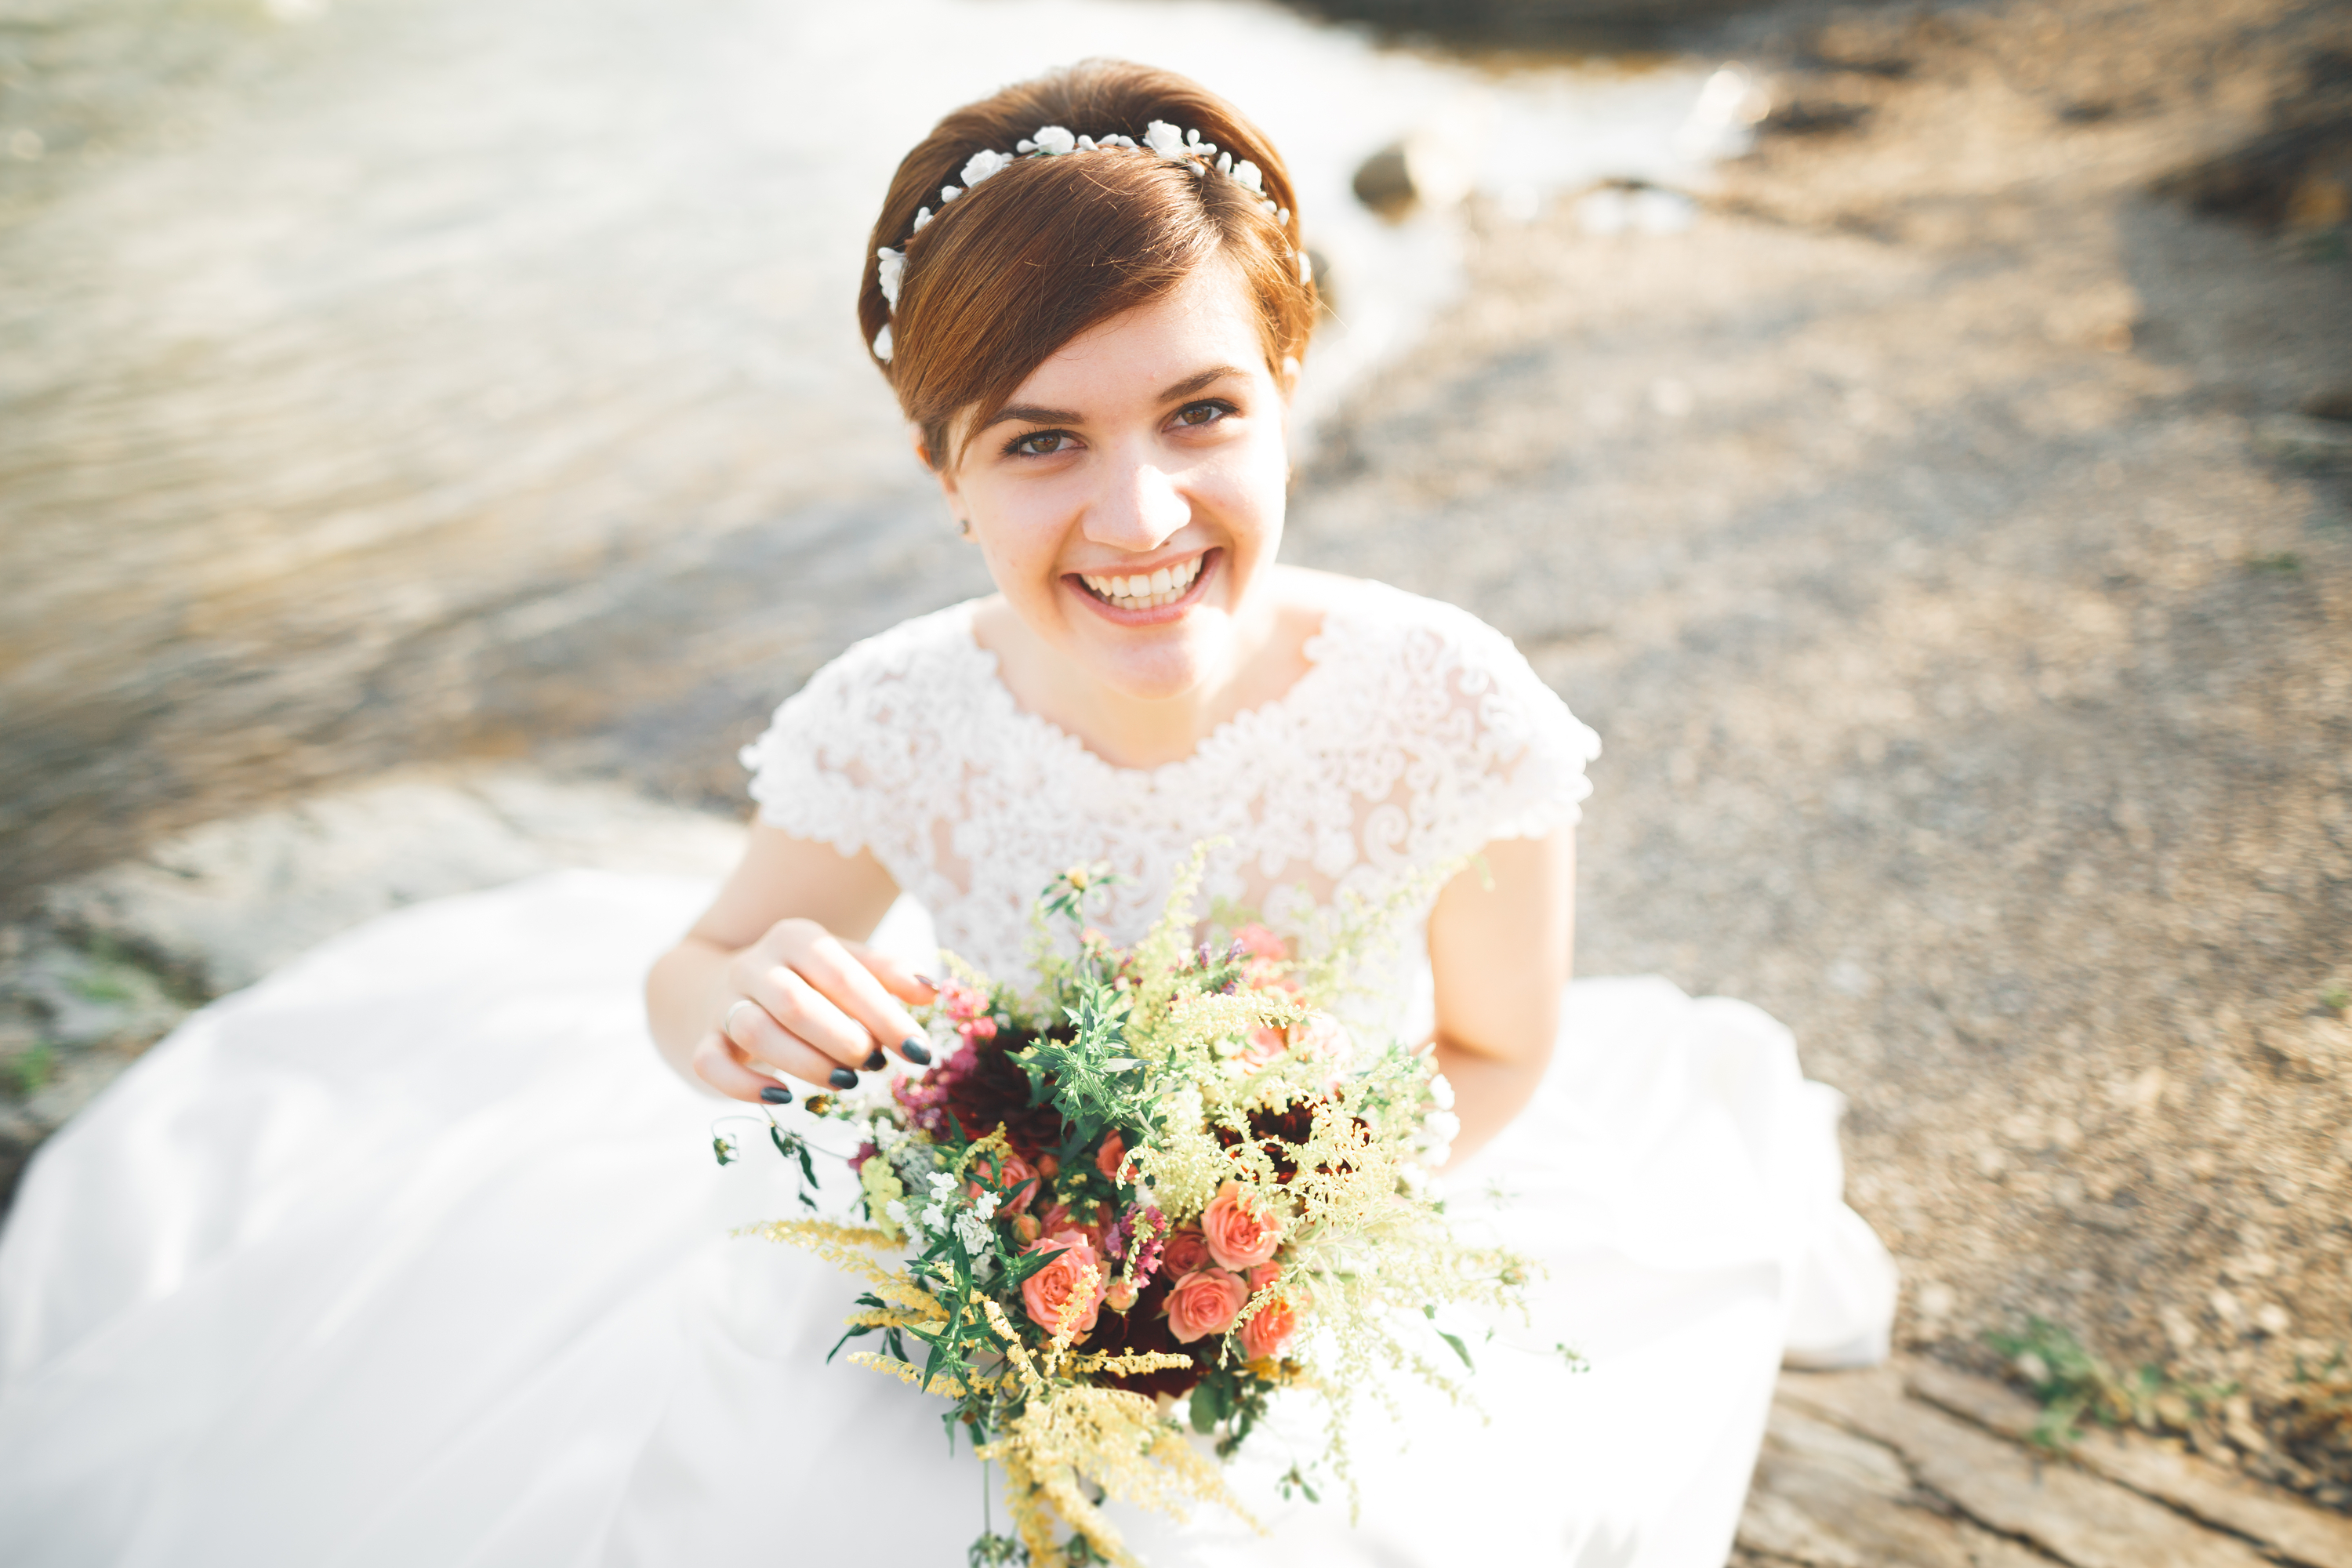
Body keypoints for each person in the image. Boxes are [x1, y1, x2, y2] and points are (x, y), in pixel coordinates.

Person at [0, 60, 1895, 1566]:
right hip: (976, 1241)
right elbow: (704, 961)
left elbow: (1494, 1048)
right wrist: (731, 1009)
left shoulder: (1445, 705)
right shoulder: (903, 712)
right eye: (1042, 441)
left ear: (1291, 385)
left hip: (1331, 1236)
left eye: (1203, 414)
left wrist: (1285, 1213)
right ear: (941, 469)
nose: (1142, 519)